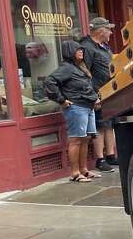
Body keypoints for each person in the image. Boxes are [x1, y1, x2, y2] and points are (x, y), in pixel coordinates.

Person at [43, 41, 101, 183]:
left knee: (86, 138)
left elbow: (85, 86)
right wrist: (61, 100)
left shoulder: (79, 67)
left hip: (88, 107)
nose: (81, 51)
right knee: (76, 140)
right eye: (78, 50)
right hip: (76, 108)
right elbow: (49, 81)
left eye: (81, 49)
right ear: (70, 52)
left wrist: (95, 99)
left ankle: (84, 170)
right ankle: (75, 173)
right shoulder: (67, 68)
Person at [81, 17, 117, 172]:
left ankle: (110, 155)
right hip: (97, 92)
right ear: (101, 31)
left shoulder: (104, 46)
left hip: (110, 91)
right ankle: (100, 159)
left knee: (110, 124)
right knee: (100, 126)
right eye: (108, 29)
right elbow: (84, 72)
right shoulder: (87, 47)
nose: (110, 32)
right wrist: (93, 95)